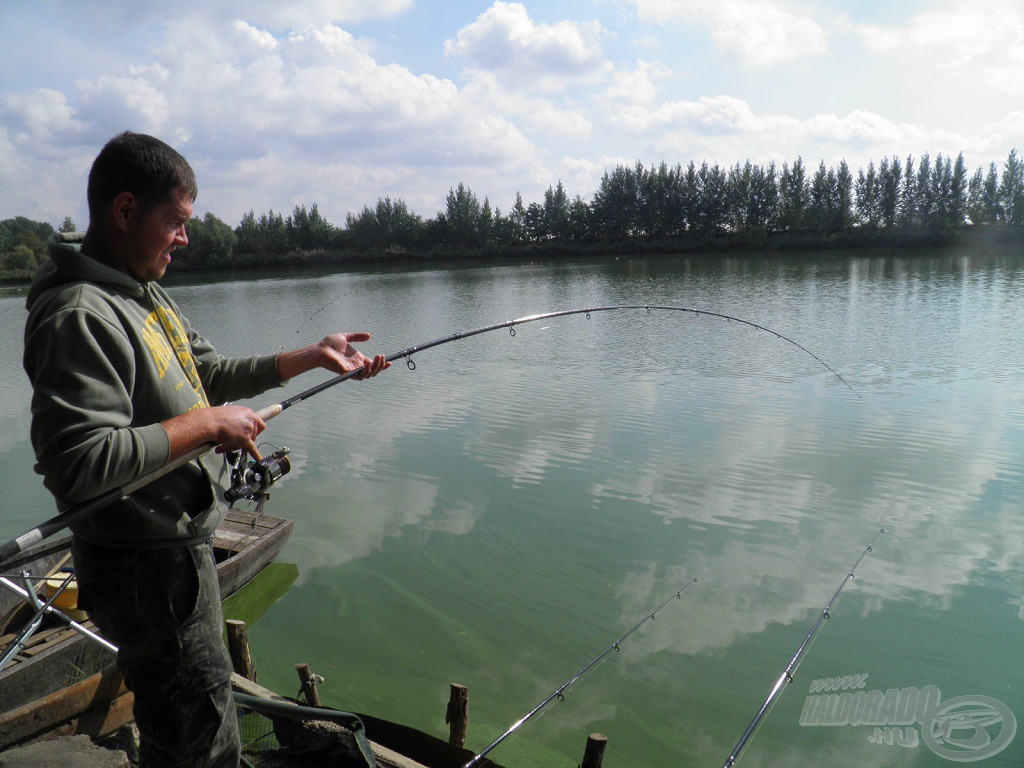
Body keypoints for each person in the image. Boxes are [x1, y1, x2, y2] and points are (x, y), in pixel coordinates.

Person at [23, 131, 387, 767]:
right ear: (127, 211)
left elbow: (207, 375)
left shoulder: (140, 289)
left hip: (175, 554)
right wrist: (208, 425)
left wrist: (312, 357)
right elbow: (79, 464)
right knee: (201, 743)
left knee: (193, 722)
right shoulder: (79, 313)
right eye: (177, 222)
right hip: (146, 569)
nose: (185, 240)